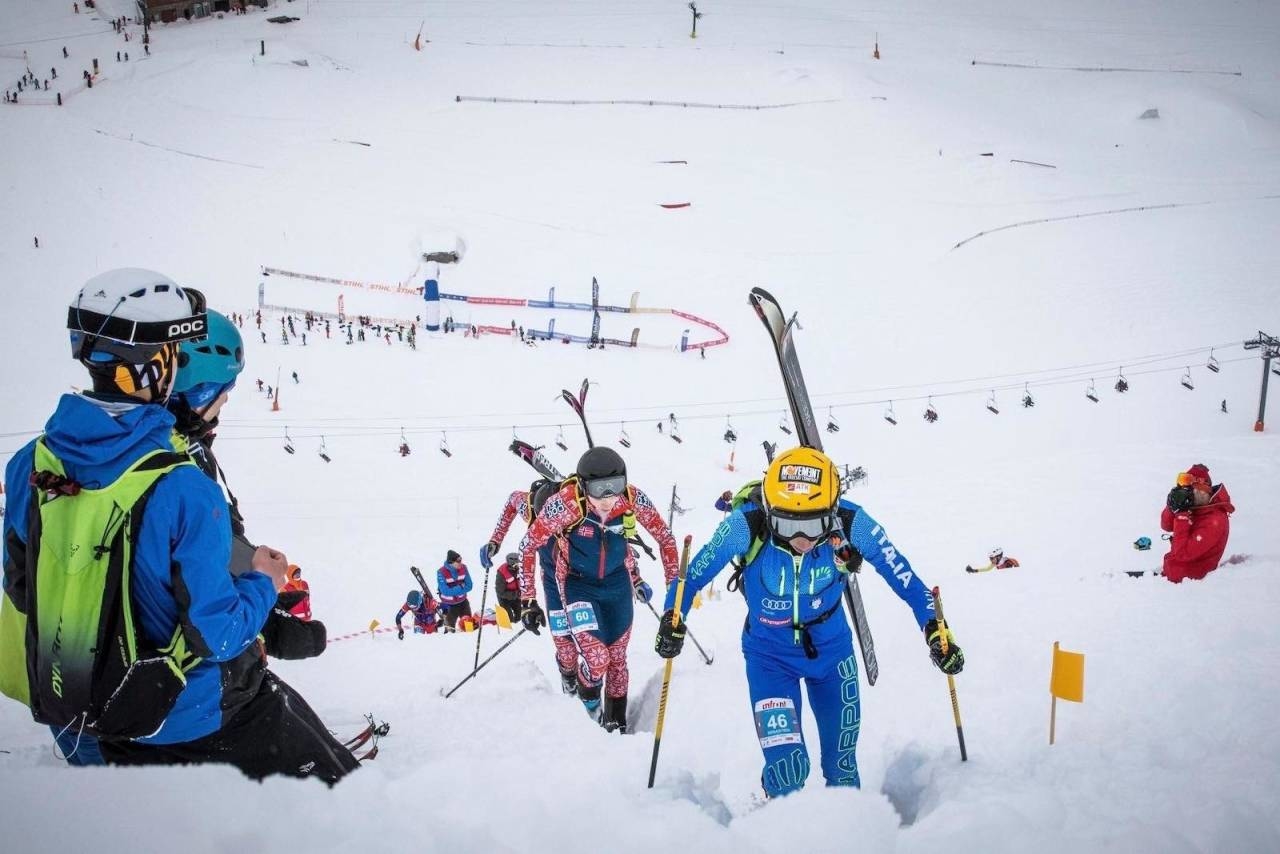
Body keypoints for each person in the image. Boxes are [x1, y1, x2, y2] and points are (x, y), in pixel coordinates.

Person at [2, 271, 356, 783]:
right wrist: (265, 584)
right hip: (181, 717)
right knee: (342, 795)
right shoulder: (183, 486)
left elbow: (22, 588)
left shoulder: (29, 464)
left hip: (76, 712)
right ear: (161, 369)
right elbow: (219, 635)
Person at [654, 447, 963, 798]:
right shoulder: (745, 524)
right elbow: (692, 576)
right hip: (769, 659)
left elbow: (904, 577)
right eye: (786, 525)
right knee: (788, 772)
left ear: (831, 511)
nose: (802, 539)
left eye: (815, 525)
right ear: (769, 509)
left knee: (842, 770)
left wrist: (934, 628)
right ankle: (779, 815)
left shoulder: (851, 522)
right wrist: (672, 617)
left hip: (833, 655)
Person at [518, 447, 679, 731]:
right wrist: (528, 599)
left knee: (617, 660)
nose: (607, 499)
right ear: (582, 486)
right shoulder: (565, 504)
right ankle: (587, 712)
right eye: (597, 490)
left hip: (617, 586)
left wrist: (673, 595)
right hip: (577, 585)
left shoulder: (631, 498)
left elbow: (665, 538)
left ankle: (616, 725)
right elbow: (528, 546)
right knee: (597, 659)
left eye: (615, 487)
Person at [482, 477, 575, 692]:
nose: (546, 527)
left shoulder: (572, 507)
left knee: (588, 636)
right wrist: (495, 540)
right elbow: (511, 501)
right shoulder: (528, 506)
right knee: (563, 639)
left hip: (579, 575)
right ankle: (569, 679)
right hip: (551, 576)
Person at [1161, 464, 1234, 583]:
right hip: (1175, 574)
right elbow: (1166, 526)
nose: (1187, 494)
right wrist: (1172, 506)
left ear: (1202, 491)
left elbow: (1182, 554)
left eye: (1190, 491)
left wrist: (1181, 515)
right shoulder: (1196, 508)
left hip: (1191, 583)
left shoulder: (1215, 520)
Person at [437, 550, 473, 632]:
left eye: (461, 560)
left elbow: (469, 586)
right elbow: (445, 591)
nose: (461, 563)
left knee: (469, 628)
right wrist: (460, 587)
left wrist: (453, 591)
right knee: (450, 632)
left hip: (463, 602)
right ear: (451, 562)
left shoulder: (464, 568)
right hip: (449, 606)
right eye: (458, 561)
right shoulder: (441, 572)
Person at [496, 553, 522, 623]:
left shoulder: (520, 570)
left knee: (519, 617)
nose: (517, 566)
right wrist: (516, 594)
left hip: (516, 597)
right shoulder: (502, 572)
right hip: (504, 598)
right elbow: (500, 592)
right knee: (509, 619)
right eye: (516, 565)